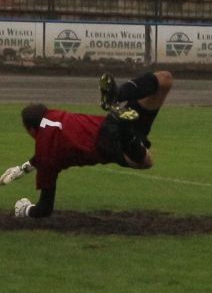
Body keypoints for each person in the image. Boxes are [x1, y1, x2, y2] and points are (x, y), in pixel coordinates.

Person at [0, 71, 172, 218]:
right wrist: (24, 168)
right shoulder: (53, 115)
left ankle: (126, 131)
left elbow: (45, 209)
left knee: (146, 162)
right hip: (107, 123)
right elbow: (53, 144)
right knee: (164, 79)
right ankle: (118, 95)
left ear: (31, 130)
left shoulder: (46, 155)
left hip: (108, 144)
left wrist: (24, 209)